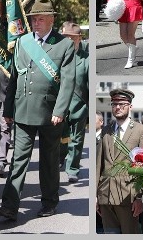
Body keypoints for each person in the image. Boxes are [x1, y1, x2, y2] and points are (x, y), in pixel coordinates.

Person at [0, 0, 75, 221]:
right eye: (33, 19)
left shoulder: (64, 44)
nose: (35, 23)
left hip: (50, 113)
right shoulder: (23, 42)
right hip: (23, 110)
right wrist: (8, 109)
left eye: (40, 19)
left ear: (51, 19)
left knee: (49, 160)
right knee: (18, 159)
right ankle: (9, 205)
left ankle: (49, 202)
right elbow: (15, 78)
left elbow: (68, 81)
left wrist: (60, 110)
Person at [96, 89, 143, 233]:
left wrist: (140, 197)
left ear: (130, 106)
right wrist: (95, 196)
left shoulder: (141, 131)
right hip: (105, 194)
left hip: (128, 196)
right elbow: (98, 165)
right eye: (114, 104)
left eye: (121, 104)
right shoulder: (106, 130)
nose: (117, 107)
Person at [59, 23, 89, 183]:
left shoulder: (86, 60)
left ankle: (72, 169)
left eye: (72, 38)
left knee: (76, 140)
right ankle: (60, 158)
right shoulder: (56, 57)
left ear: (79, 39)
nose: (69, 40)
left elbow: (90, 86)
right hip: (59, 107)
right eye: (66, 37)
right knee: (60, 138)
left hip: (78, 107)